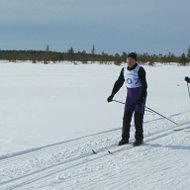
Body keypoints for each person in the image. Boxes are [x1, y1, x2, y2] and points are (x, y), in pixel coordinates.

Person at [107, 52, 148, 146]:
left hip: (140, 96)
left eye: (131, 59)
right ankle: (125, 138)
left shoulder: (140, 70)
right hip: (129, 97)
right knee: (126, 118)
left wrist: (141, 98)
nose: (129, 61)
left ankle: (139, 139)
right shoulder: (124, 70)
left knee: (138, 119)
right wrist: (112, 94)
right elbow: (119, 82)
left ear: (135, 60)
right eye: (128, 59)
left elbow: (144, 86)